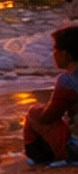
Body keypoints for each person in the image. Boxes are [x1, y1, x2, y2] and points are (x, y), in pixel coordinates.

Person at [24, 26, 78, 165]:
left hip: (75, 150)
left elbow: (49, 117)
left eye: (55, 49)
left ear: (65, 54)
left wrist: (41, 109)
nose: (53, 53)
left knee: (34, 113)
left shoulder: (67, 80)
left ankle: (38, 156)